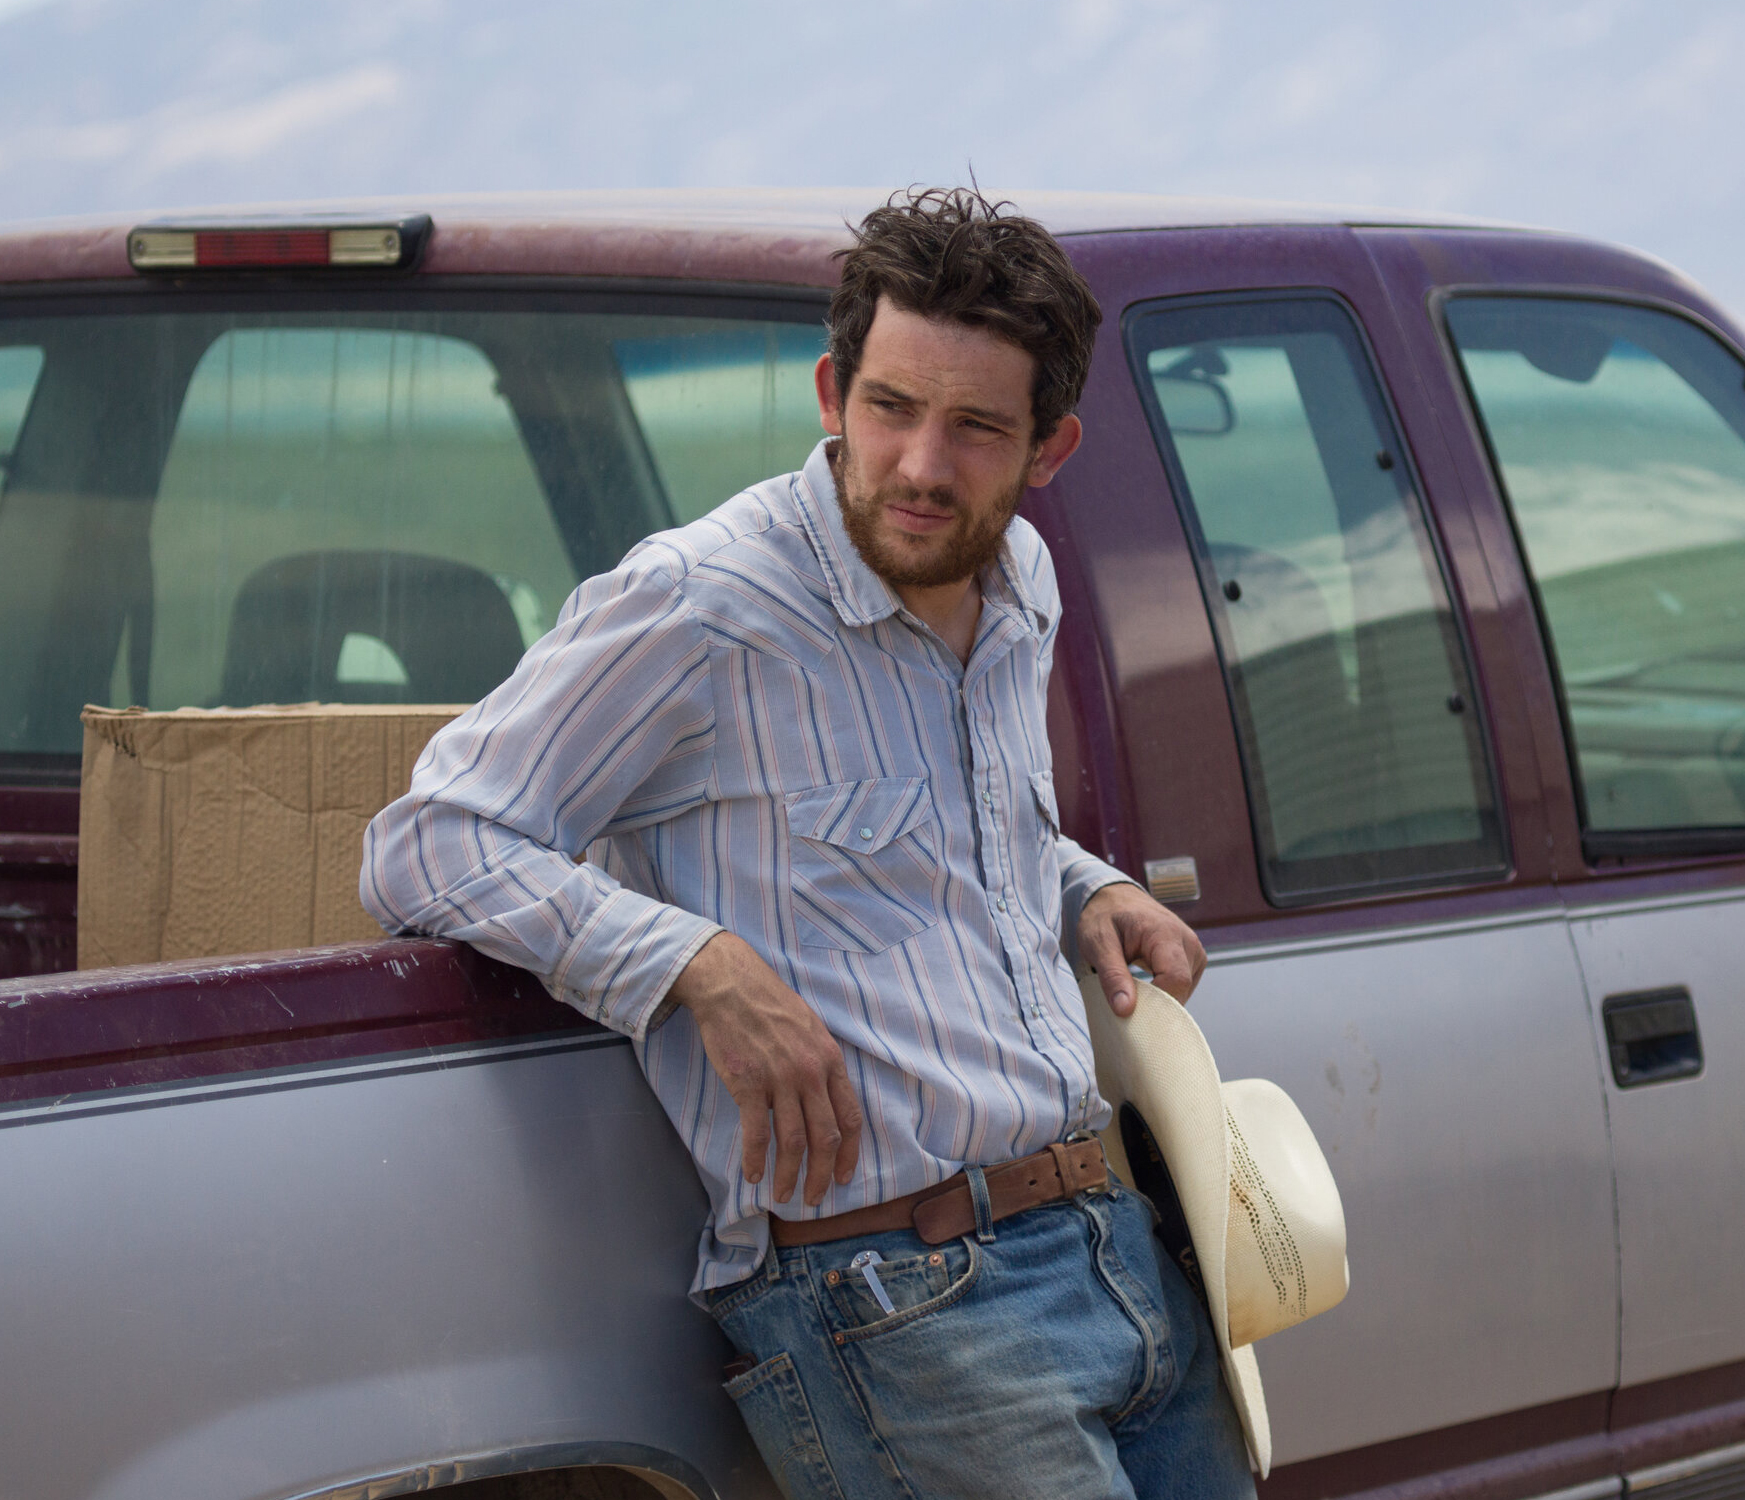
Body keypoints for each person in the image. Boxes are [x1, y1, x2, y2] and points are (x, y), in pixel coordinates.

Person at [362, 186, 1257, 1500]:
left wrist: (1085, 889)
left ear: (1047, 451)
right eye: (890, 407)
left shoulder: (1020, 586)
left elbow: (966, 834)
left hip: (1118, 1247)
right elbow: (429, 841)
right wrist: (698, 966)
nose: (920, 465)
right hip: (905, 1302)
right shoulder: (704, 600)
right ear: (835, 388)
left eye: (975, 428)